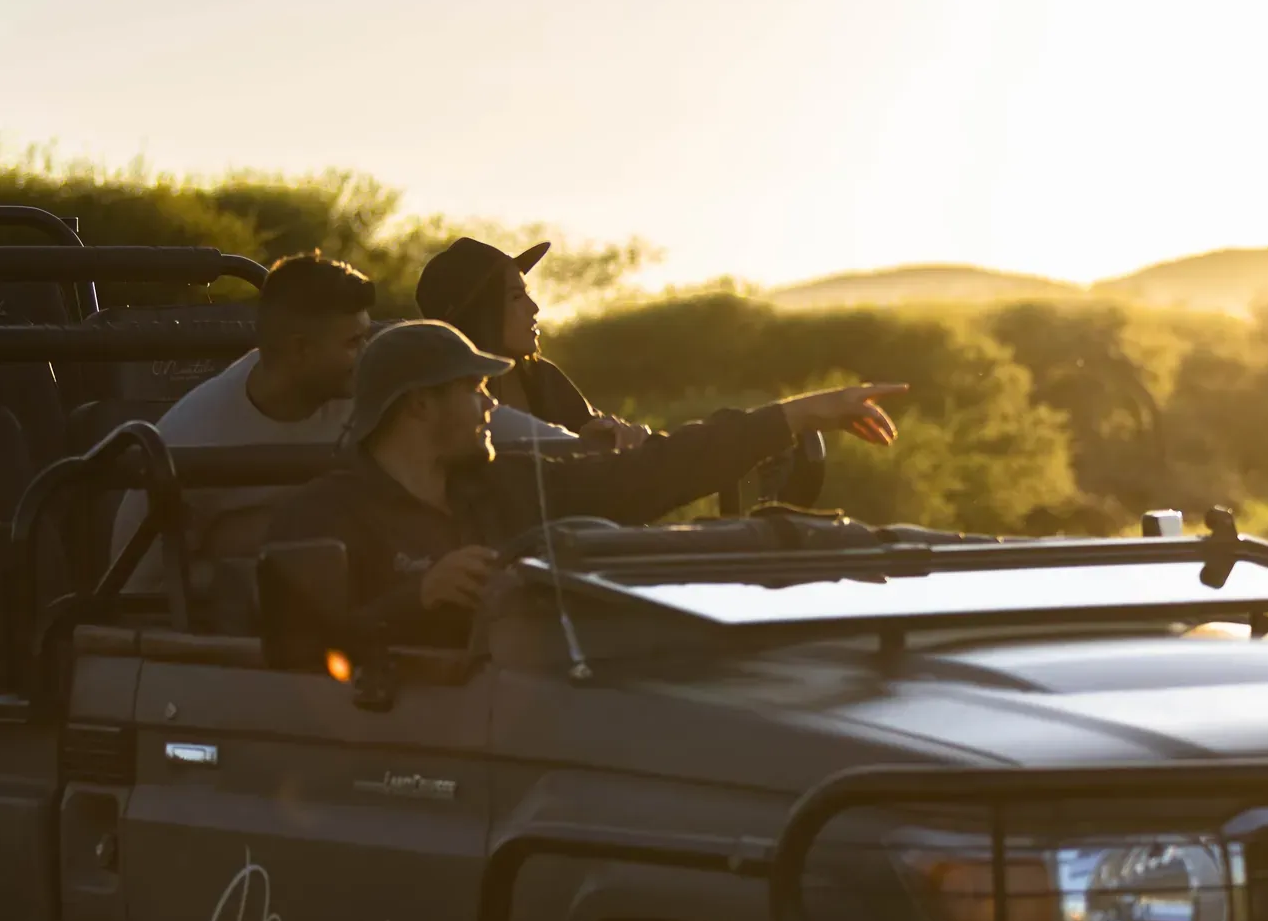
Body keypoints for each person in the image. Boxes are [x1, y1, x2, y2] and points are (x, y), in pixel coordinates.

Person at [261, 319, 905, 661]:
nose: (490, 404)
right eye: (473, 389)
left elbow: (655, 471)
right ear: (419, 407)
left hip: (541, 719)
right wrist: (416, 598)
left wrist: (798, 415)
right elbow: (289, 660)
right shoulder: (321, 517)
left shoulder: (512, 482)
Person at [108, 252, 571, 592]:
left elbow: (488, 420)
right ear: (300, 350)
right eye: (352, 343)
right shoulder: (188, 438)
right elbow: (135, 589)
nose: (366, 354)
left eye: (367, 336)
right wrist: (258, 568)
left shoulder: (367, 386)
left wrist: (587, 447)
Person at [417, 236, 649, 451]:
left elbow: (592, 438)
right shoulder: (440, 399)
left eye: (528, 294)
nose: (534, 307)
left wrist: (616, 436)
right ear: (481, 314)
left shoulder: (544, 378)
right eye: (516, 297)